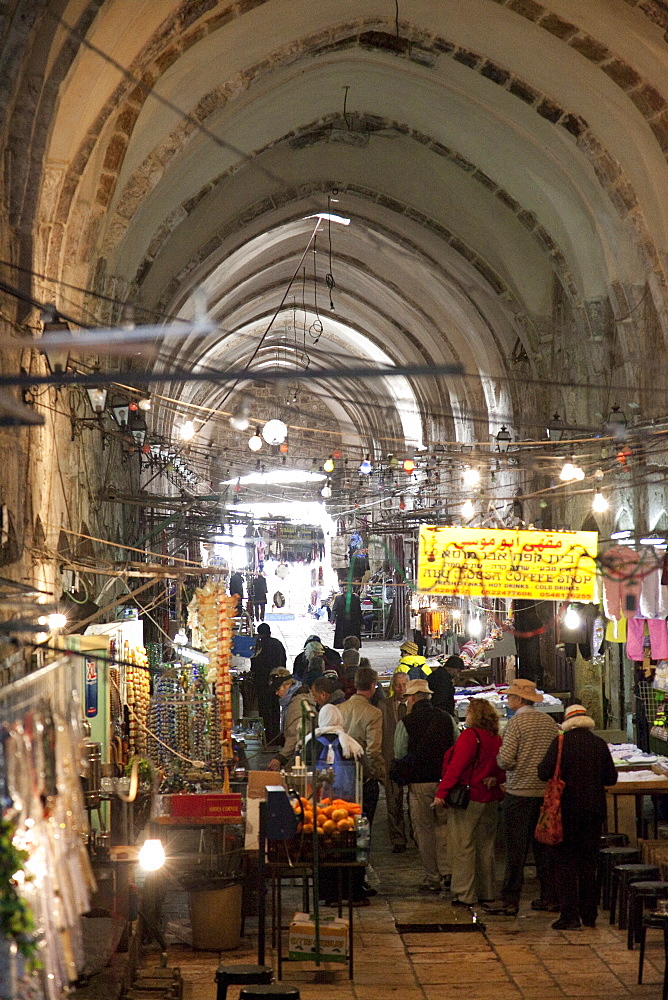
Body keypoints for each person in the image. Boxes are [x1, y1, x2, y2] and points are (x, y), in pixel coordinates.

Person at [482, 678, 559, 917]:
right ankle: (548, 896)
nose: (507, 699)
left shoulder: (516, 724)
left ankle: (510, 899)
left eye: (510, 696)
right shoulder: (549, 722)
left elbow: (505, 759)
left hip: (519, 793)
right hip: (544, 793)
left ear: (519, 700)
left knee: (516, 849)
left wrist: (506, 765)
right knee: (543, 847)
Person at [537, 704, 617, 930]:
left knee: (565, 863)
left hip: (565, 811)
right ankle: (589, 915)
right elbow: (611, 778)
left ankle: (569, 916)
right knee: (588, 862)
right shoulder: (598, 744)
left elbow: (543, 772)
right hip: (593, 812)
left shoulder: (561, 743)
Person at [434, 698, 505, 907]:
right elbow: (503, 765)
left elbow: (456, 767)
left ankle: (464, 893)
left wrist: (442, 792)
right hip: (490, 797)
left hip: (470, 798)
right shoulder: (496, 738)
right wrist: (498, 780)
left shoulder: (470, 736)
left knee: (463, 845)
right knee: (486, 847)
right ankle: (487, 891)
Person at [393, 678, 458, 892]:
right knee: (445, 828)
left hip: (419, 783)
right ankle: (449, 872)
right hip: (445, 783)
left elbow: (399, 753)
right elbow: (457, 748)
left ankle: (433, 876)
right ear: (428, 696)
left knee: (424, 830)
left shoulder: (406, 723)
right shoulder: (447, 719)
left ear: (412, 698)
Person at [339, 664, 384, 826]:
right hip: (364, 778)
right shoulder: (374, 713)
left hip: (342, 775)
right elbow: (373, 751)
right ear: (372, 686)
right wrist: (378, 775)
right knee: (364, 827)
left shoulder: (340, 709)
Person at [380, 669, 410, 853]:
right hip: (391, 759)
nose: (400, 689)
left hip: (411, 760)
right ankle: (398, 839)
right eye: (397, 685)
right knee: (393, 802)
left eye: (404, 685)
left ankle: (415, 834)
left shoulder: (415, 705)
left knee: (413, 802)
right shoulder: (384, 706)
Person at [267, 670, 315, 771]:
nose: (276, 693)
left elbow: (295, 735)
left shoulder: (297, 704)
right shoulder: (297, 699)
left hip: (301, 756)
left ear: (287, 685)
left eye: (278, 689)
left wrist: (280, 757)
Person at [249, 622, 286, 742]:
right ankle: (276, 734)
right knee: (275, 708)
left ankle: (266, 736)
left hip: (262, 682)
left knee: (264, 709)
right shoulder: (277, 644)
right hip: (276, 681)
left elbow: (254, 666)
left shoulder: (258, 645)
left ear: (259, 633)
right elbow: (283, 661)